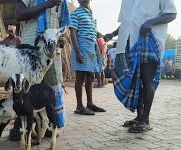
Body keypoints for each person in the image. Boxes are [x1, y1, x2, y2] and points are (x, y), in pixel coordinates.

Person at [105, 0, 177, 133]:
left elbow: (171, 14)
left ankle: (145, 119)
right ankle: (139, 117)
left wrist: (150, 22)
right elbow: (127, 22)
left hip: (149, 40)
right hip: (127, 44)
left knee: (146, 80)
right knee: (134, 81)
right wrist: (113, 34)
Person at [8, 0, 69, 141]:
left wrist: (62, 40)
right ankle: (19, 126)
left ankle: (44, 126)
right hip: (32, 49)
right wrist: (47, 4)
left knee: (49, 87)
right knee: (26, 87)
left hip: (52, 51)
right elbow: (19, 14)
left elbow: (61, 27)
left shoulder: (62, 2)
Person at [69, 0, 106, 115]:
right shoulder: (75, 13)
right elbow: (73, 33)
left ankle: (90, 104)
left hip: (91, 47)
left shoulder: (91, 13)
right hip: (81, 46)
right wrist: (78, 51)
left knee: (90, 76)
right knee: (80, 77)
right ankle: (79, 106)